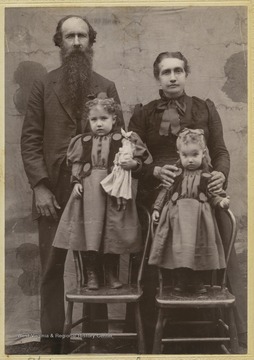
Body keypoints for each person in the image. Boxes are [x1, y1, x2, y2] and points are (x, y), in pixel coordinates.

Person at [128, 51, 247, 351]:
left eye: (178, 70)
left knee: (218, 219)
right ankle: (154, 331)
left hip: (203, 186)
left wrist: (219, 174)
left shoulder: (205, 108)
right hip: (162, 188)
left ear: (186, 73)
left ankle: (233, 331)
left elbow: (220, 150)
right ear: (157, 77)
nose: (172, 77)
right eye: (166, 72)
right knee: (159, 224)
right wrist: (153, 170)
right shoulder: (143, 114)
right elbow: (129, 159)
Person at [21, 15, 124, 353]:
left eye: (82, 36)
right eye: (70, 36)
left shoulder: (105, 85)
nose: (77, 42)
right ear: (59, 43)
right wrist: (39, 186)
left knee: (95, 259)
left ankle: (97, 339)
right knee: (52, 266)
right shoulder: (43, 85)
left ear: (90, 42)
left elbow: (119, 141)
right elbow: (31, 138)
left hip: (96, 187)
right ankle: (53, 341)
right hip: (54, 187)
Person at [52, 96, 148, 290]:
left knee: (112, 231)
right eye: (94, 120)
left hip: (115, 189)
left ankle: (111, 273)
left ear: (114, 119)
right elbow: (77, 164)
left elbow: (139, 159)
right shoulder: (83, 141)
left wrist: (133, 164)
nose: (99, 124)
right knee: (91, 232)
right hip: (90, 192)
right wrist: (76, 181)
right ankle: (92, 273)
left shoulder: (125, 139)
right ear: (88, 121)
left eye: (104, 118)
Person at [149, 128, 229, 294]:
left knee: (197, 248)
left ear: (203, 153)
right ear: (179, 154)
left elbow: (213, 194)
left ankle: (197, 281)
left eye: (195, 155)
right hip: (177, 219)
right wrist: (157, 208)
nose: (190, 160)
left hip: (199, 220)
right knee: (180, 249)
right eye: (185, 156)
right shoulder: (176, 174)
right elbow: (165, 191)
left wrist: (221, 202)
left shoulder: (207, 177)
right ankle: (182, 280)